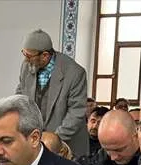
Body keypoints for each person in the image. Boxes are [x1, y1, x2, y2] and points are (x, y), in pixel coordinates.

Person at [16, 29, 89, 157]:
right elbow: (20, 96)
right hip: (36, 144)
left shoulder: (75, 73)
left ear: (45, 56)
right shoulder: (27, 66)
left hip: (67, 146)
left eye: (29, 56)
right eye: (24, 54)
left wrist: (52, 142)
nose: (26, 60)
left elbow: (76, 112)